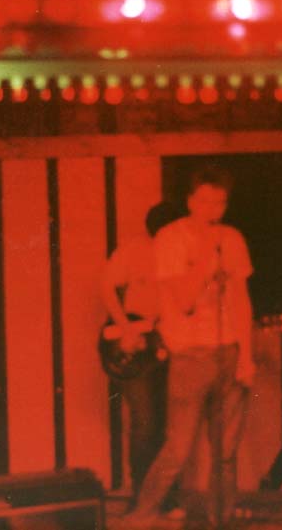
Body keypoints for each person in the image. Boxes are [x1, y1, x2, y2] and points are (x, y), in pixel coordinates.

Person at [117, 165, 255, 529]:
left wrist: (247, 356)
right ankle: (141, 515)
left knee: (225, 452)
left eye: (220, 203)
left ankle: (219, 521)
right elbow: (185, 301)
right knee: (178, 448)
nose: (213, 210)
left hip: (228, 351)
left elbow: (241, 300)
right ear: (192, 201)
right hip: (190, 356)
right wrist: (207, 258)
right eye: (206, 202)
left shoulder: (234, 239)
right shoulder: (170, 239)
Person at [101, 201, 181, 515]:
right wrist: (125, 328)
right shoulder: (135, 250)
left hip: (171, 345)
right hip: (137, 347)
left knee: (172, 425)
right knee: (145, 422)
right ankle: (142, 497)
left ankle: (166, 498)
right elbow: (107, 286)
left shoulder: (185, 254)